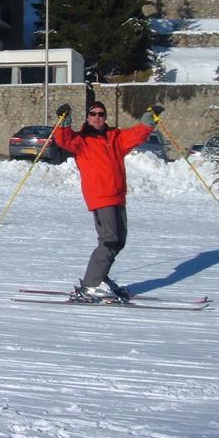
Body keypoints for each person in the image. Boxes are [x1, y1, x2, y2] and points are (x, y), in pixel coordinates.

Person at [53, 101, 164, 302]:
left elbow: (136, 135)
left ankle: (100, 277)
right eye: (93, 114)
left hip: (118, 196)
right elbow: (64, 139)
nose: (97, 117)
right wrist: (64, 122)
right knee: (109, 240)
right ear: (87, 117)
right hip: (100, 196)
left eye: (101, 114)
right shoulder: (82, 140)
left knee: (119, 241)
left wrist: (148, 121)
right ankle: (92, 284)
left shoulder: (115, 137)